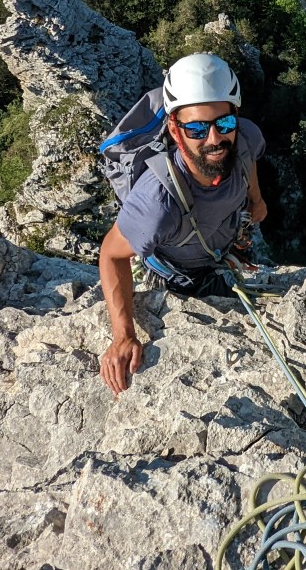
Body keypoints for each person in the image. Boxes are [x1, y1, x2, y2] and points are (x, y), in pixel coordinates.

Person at [98, 53, 267, 394]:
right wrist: (124, 335)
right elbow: (111, 255)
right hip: (179, 275)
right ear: (175, 129)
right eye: (196, 128)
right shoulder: (157, 203)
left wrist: (256, 200)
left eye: (225, 123)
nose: (214, 139)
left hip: (223, 242)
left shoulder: (245, 138)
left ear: (237, 118)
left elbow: (247, 161)